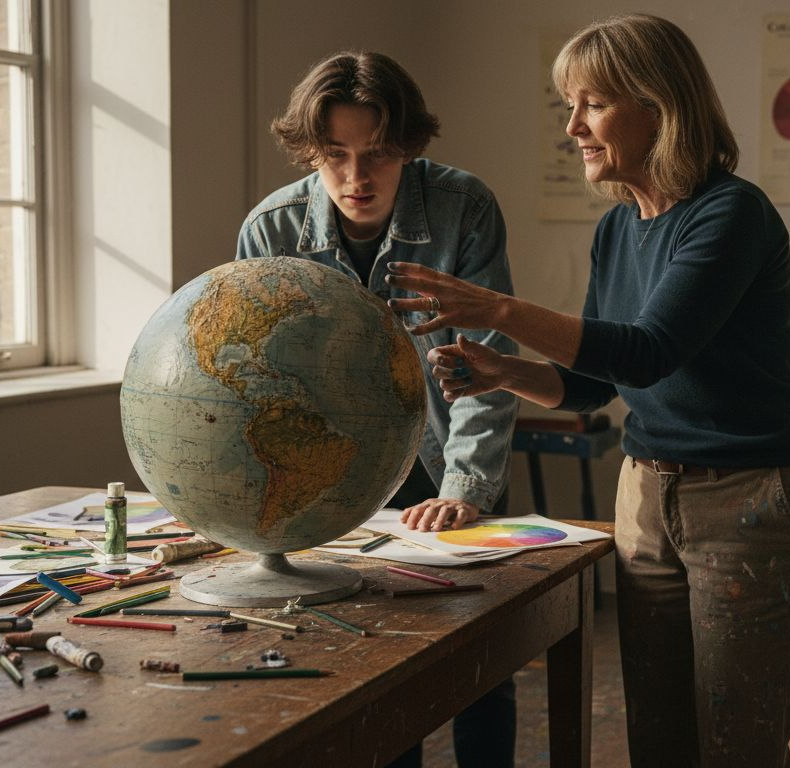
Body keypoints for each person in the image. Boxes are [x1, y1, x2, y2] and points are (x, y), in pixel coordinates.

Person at [384, 14, 790, 767]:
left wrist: (496, 310)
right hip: (645, 496)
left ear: (658, 106)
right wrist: (507, 370)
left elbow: (650, 352)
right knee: (656, 738)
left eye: (591, 104)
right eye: (570, 105)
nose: (573, 127)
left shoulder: (730, 214)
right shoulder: (618, 231)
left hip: (747, 502)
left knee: (738, 746)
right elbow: (595, 383)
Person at [235, 51, 518, 768]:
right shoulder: (269, 231)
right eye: (335, 156)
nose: (357, 179)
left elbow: (489, 361)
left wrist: (465, 491)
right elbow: (258, 381)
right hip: (338, 472)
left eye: (379, 156)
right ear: (309, 150)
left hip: (452, 455)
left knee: (483, 665)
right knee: (378, 664)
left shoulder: (466, 208)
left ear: (411, 147)